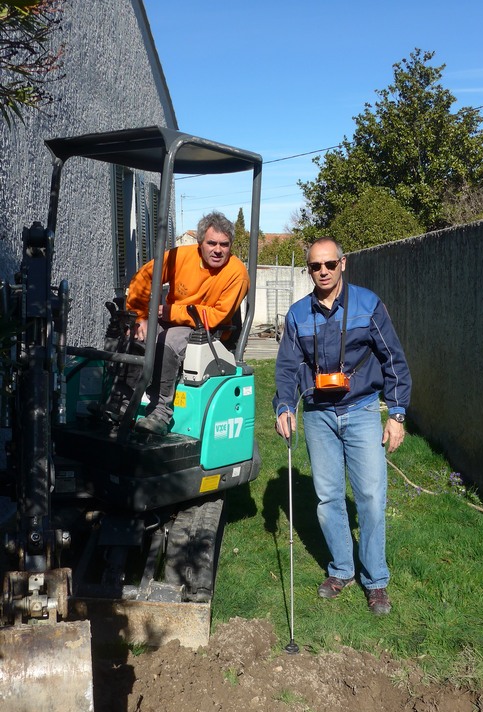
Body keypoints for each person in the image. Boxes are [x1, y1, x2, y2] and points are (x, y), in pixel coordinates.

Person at [273, 237, 411, 615]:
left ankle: (376, 580)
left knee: (370, 496)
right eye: (315, 266)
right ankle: (342, 570)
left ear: (343, 264)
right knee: (328, 497)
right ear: (309, 269)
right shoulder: (299, 314)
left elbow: (393, 360)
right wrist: (285, 405)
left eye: (329, 264)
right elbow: (287, 367)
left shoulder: (368, 305)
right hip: (318, 414)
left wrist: (396, 414)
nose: (322, 272)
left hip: (363, 409)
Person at [123, 211, 249, 435]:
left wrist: (172, 311)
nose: (217, 250)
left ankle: (161, 412)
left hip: (211, 332)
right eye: (211, 243)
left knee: (168, 340)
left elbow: (217, 315)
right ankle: (123, 402)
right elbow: (144, 278)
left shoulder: (237, 273)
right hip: (175, 319)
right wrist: (139, 317)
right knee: (139, 336)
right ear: (200, 243)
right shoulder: (181, 256)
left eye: (224, 244)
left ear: (231, 246)